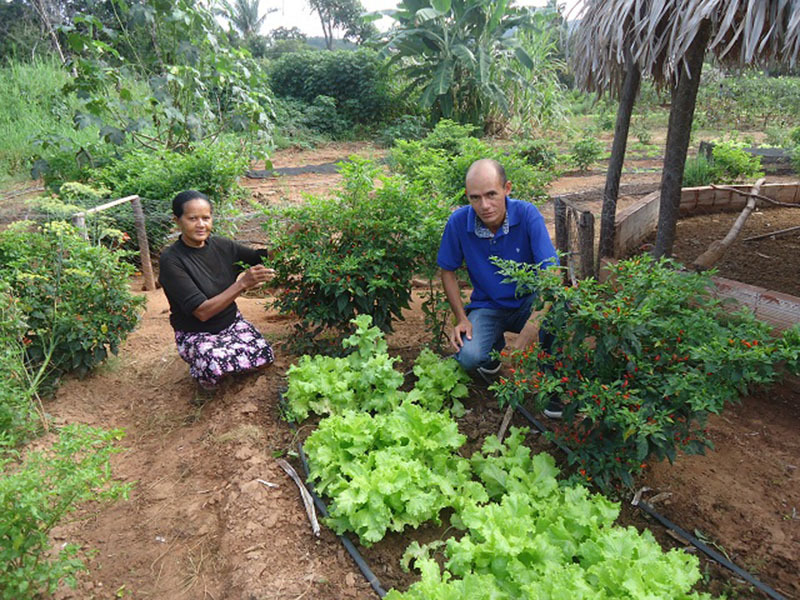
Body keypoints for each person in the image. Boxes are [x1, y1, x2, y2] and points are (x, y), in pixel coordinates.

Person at [437, 159, 562, 417]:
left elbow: (553, 276)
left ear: (507, 188)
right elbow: (446, 270)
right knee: (469, 356)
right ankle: (490, 356)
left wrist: (531, 327)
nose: (484, 205)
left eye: (491, 194)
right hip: (488, 306)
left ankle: (552, 385)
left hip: (529, 303)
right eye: (475, 197)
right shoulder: (459, 222)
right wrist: (461, 318)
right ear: (467, 197)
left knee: (559, 313)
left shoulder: (527, 216)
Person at [159, 190, 275, 399]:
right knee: (216, 364)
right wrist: (242, 284)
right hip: (196, 333)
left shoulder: (223, 245)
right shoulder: (172, 261)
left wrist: (295, 237)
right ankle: (201, 371)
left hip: (231, 323)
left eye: (206, 218)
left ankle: (228, 361)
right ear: (177, 221)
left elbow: (261, 258)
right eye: (192, 218)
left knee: (264, 354)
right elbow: (202, 312)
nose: (201, 224)